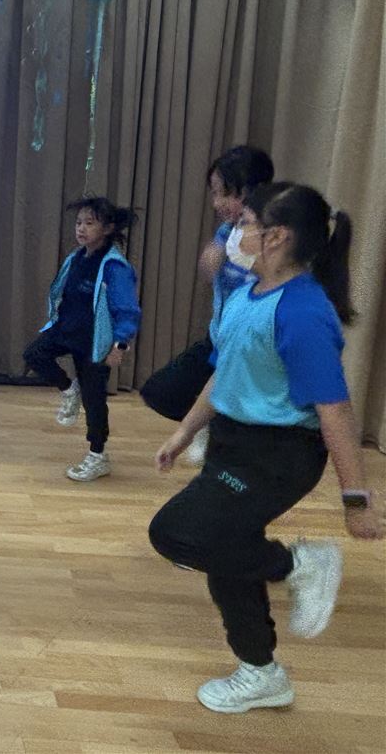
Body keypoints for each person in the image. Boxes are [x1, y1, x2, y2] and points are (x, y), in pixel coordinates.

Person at [149, 181, 381, 714]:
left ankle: (299, 564)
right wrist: (186, 430)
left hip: (279, 455)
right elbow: (225, 371)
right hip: (234, 442)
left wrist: (356, 501)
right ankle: (261, 672)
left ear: (275, 237)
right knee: (227, 552)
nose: (231, 233)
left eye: (242, 223)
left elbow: (335, 410)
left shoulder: (303, 312)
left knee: (176, 532)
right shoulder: (245, 296)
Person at [141, 146, 274, 465]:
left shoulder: (271, 237)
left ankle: (216, 430)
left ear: (252, 191)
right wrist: (212, 258)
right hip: (219, 338)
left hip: (249, 345)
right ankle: (206, 422)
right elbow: (210, 271)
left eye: (224, 193)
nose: (217, 203)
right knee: (160, 392)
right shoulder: (227, 231)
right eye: (214, 194)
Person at [23, 197, 141, 481]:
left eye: (89, 223)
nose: (81, 229)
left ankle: (98, 455)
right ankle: (68, 389)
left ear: (108, 228)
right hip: (66, 331)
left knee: (94, 401)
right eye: (78, 223)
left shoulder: (114, 267)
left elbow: (127, 310)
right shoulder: (76, 258)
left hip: (95, 342)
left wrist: (120, 344)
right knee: (34, 355)